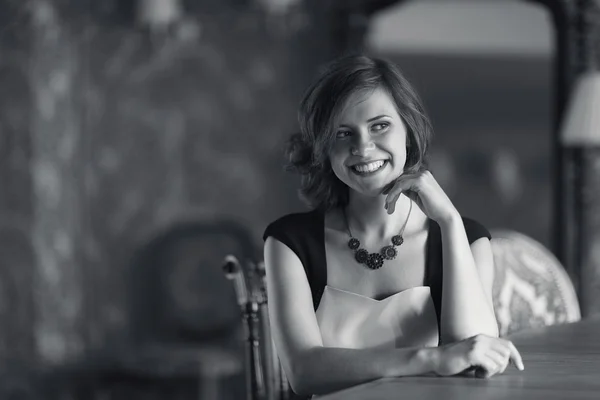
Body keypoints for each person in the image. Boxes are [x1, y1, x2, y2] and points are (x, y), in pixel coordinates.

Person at [262, 54, 524, 398]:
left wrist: (449, 220)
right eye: (343, 133)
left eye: (379, 125)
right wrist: (429, 357)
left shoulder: (466, 237)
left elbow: (475, 359)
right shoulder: (289, 242)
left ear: (409, 133)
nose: (363, 147)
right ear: (325, 149)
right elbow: (304, 372)